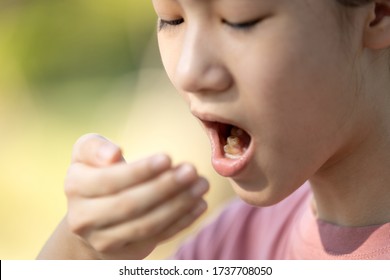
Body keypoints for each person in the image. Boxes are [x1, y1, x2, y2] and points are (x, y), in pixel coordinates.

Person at [38, 0, 390, 259]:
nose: (188, 71)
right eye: (171, 20)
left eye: (239, 21)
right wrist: (82, 252)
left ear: (378, 13)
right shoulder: (231, 245)